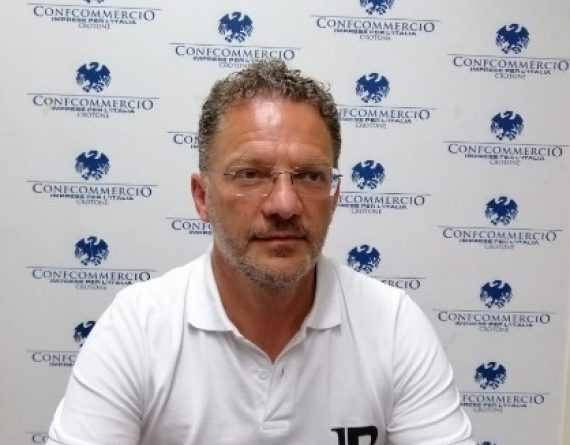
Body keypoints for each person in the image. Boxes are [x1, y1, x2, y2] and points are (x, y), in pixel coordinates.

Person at [47, 60, 475, 445]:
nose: (284, 205)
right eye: (251, 174)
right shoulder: (138, 328)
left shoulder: (392, 325)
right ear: (202, 197)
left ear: (334, 196)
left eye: (309, 176)